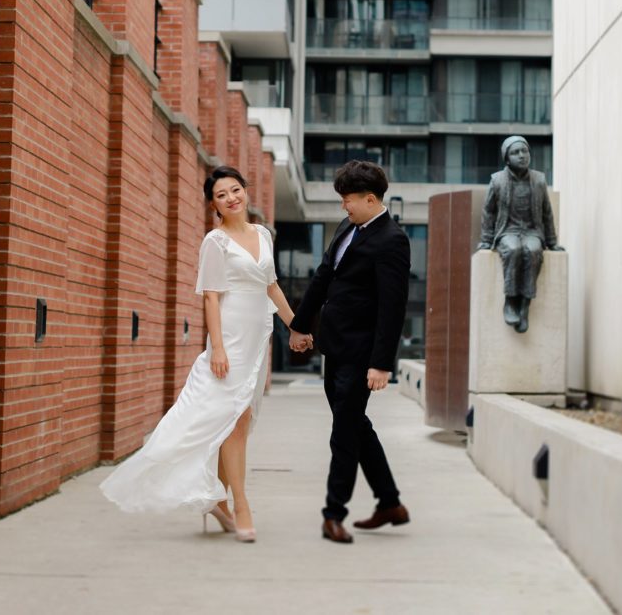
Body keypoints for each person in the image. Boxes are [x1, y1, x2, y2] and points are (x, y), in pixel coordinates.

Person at [100, 166, 300, 543]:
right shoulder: (216, 242)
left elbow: (271, 285)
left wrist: (295, 325)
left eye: (235, 189)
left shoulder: (262, 234)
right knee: (233, 420)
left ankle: (219, 503)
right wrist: (218, 348)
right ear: (214, 205)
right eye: (222, 194)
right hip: (231, 341)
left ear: (245, 191)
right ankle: (240, 505)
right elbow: (210, 296)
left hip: (257, 339)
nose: (231, 198)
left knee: (239, 423)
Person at [287, 160, 411, 544]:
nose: (343, 206)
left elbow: (393, 307)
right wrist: (299, 325)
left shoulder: (392, 240)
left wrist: (380, 364)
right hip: (335, 348)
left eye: (348, 200)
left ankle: (333, 513)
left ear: (370, 199)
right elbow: (323, 278)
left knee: (343, 432)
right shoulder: (347, 228)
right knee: (355, 426)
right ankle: (390, 502)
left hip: (361, 356)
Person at [477, 136, 563, 333]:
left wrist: (551, 241)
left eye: (524, 151)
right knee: (514, 250)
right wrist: (486, 240)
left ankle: (524, 304)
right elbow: (488, 212)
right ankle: (510, 300)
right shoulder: (497, 180)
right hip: (507, 231)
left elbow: (547, 213)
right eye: (515, 153)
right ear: (507, 159)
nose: (521, 156)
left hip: (532, 231)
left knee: (533, 251)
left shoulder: (539, 180)